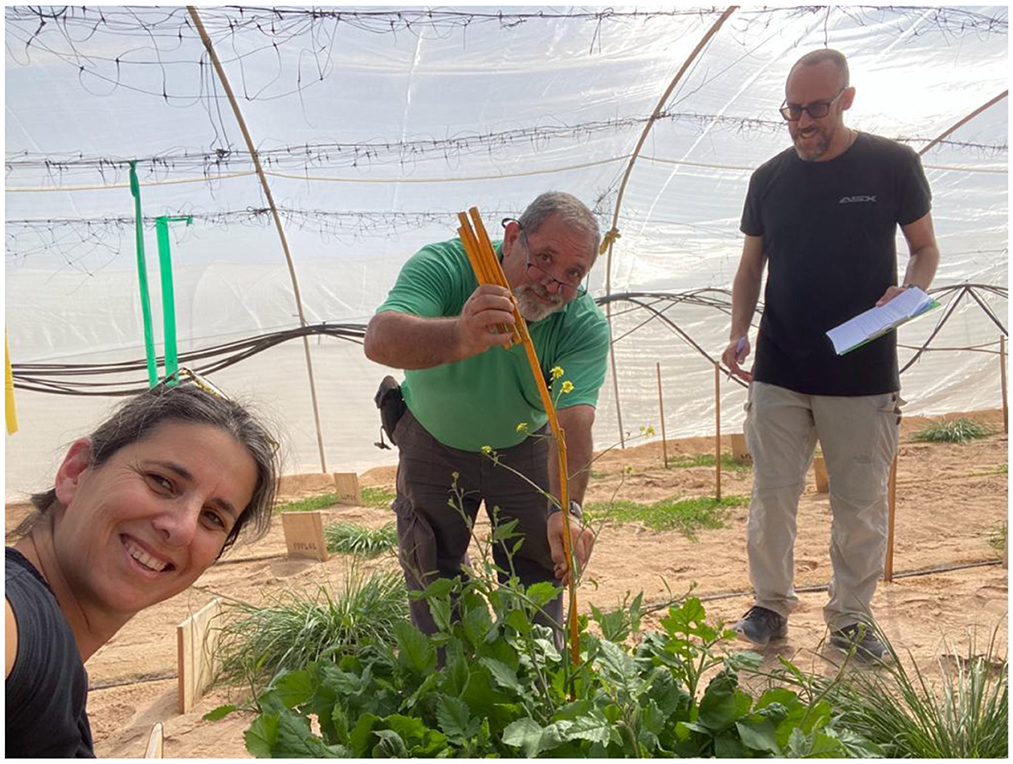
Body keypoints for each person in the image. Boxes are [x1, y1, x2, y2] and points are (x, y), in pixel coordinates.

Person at [722, 49, 939, 660]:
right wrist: (740, 330)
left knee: (859, 501)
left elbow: (925, 249)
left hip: (864, 369)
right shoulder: (768, 178)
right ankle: (769, 605)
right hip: (782, 364)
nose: (802, 122)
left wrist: (912, 289)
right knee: (772, 493)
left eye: (816, 108)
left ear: (847, 98)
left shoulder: (893, 165)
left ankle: (850, 618)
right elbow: (750, 264)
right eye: (792, 111)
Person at [364, 191, 606, 639]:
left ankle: (537, 684)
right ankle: (451, 680)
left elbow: (573, 420)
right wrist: (461, 334)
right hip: (431, 441)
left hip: (525, 448)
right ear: (512, 238)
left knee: (537, 574)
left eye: (573, 274)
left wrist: (565, 508)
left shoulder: (581, 323)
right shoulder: (448, 266)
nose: (554, 284)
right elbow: (380, 339)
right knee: (433, 573)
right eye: (545, 259)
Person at [5, 372, 279, 757]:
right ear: (76, 472)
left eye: (213, 518)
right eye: (162, 482)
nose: (181, 528)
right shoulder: (16, 616)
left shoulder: (57, 666)